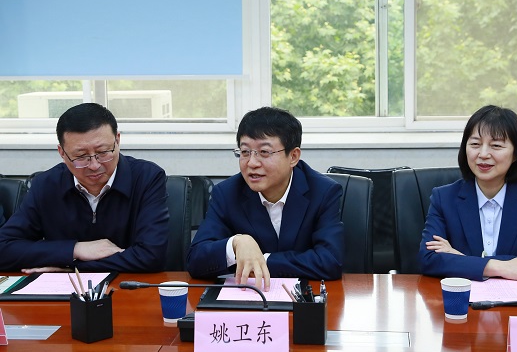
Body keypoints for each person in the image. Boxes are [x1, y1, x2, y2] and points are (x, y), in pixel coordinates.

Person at [187, 106, 343, 291]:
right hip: (248, 300)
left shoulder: (323, 192)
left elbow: (329, 261)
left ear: (293, 156)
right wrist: (236, 244)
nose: (252, 163)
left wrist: (262, 259)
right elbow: (195, 260)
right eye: (245, 152)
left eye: (264, 152)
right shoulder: (227, 193)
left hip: (304, 299)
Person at [0, 103, 169, 273]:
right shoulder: (46, 184)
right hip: (66, 288)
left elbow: (151, 256)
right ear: (62, 152)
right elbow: (4, 248)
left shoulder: (147, 177)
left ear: (117, 140)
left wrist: (70, 266)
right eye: (81, 156)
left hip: (128, 285)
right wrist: (75, 249)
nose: (94, 165)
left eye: (103, 152)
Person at [419, 105, 517, 281]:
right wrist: (499, 267)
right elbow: (428, 259)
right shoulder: (444, 198)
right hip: (463, 295)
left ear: (516, 154)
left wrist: (462, 259)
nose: (483, 154)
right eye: (475, 144)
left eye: (496, 145)